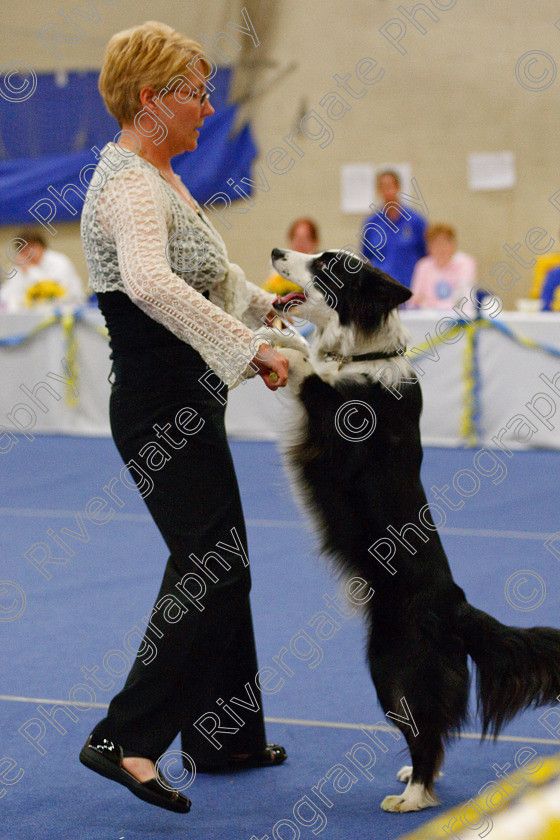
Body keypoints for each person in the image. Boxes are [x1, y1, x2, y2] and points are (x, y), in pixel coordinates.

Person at [78, 21, 289, 814]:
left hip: (188, 404)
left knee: (221, 558)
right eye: (196, 93)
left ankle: (225, 738)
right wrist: (250, 350)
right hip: (159, 408)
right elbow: (153, 286)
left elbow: (210, 272)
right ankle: (125, 739)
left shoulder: (160, 176)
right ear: (151, 100)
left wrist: (270, 307)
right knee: (212, 565)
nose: (207, 106)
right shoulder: (130, 183)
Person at [361, 170, 427, 288]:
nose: (387, 191)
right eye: (383, 187)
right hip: (381, 287)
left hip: (410, 286)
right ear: (378, 191)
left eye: (391, 186)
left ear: (398, 188)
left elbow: (426, 255)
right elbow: (366, 258)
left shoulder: (415, 221)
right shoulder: (371, 223)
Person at [0, 229, 86, 311]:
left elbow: (53, 294)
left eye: (32, 247)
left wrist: (30, 270)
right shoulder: (19, 268)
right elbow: (6, 295)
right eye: (23, 249)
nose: (28, 253)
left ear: (42, 247)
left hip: (68, 311)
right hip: (29, 315)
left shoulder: (59, 262)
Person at [409, 223, 477, 311]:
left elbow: (466, 301)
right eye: (436, 244)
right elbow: (413, 302)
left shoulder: (466, 263)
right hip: (427, 319)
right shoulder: (423, 266)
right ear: (428, 248)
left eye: (446, 243)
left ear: (454, 245)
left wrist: (430, 303)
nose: (441, 248)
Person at [263, 217, 320, 295]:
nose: (300, 244)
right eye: (297, 239)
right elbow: (267, 293)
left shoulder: (319, 271)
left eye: (305, 239)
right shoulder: (278, 270)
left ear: (315, 241)